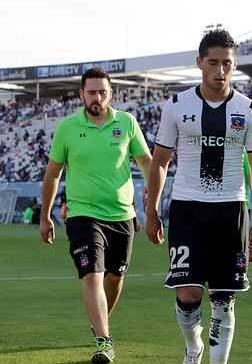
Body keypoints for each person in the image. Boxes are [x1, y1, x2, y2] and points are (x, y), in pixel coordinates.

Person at [145, 29, 252, 364]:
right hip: (187, 210)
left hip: (232, 209)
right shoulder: (177, 105)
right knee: (189, 293)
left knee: (224, 299)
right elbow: (161, 162)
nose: (220, 70)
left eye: (227, 63)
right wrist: (152, 211)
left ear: (235, 64)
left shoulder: (250, 109)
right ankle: (193, 345)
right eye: (213, 62)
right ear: (200, 63)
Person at [39, 67, 151, 363]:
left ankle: (100, 324)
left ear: (110, 93)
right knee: (92, 274)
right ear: (81, 94)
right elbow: (53, 174)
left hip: (123, 216)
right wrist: (45, 215)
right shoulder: (66, 127)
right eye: (91, 92)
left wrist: (152, 196)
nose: (97, 97)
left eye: (103, 92)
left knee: (114, 277)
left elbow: (147, 161)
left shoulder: (127, 122)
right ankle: (104, 340)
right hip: (82, 214)